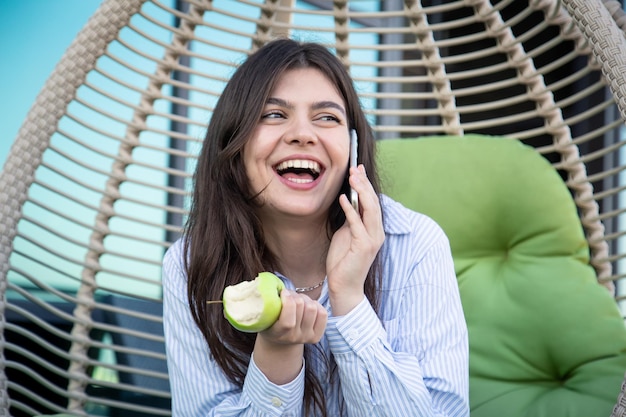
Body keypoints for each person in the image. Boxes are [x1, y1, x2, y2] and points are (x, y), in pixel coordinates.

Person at [162, 38, 469, 417]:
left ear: (354, 149)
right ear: (234, 143)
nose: (303, 134)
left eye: (327, 117)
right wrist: (276, 354)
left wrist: (350, 299)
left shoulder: (418, 245)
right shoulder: (189, 264)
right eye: (274, 114)